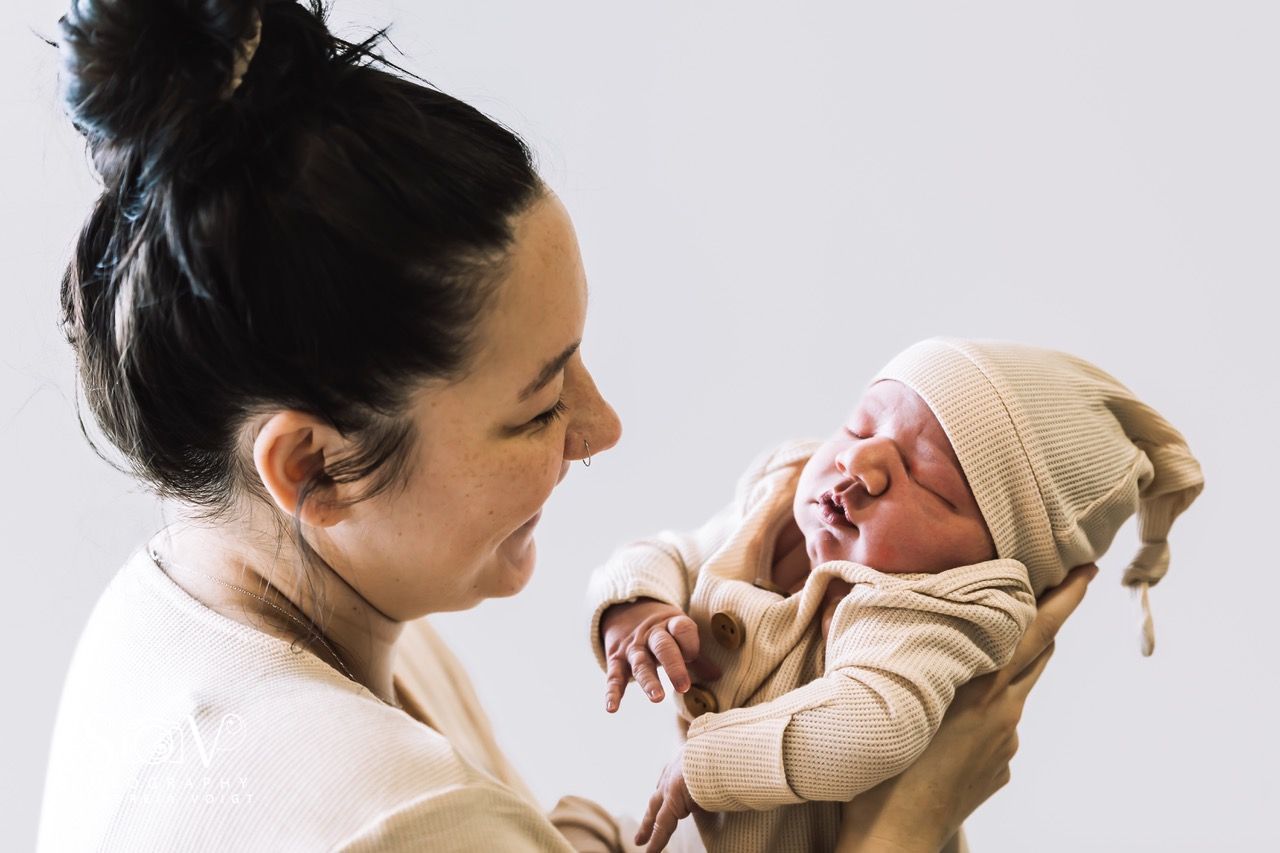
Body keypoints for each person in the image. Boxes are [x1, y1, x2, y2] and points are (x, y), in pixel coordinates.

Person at [38, 1, 1097, 850]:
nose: (602, 427)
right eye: (541, 403)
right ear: (313, 464)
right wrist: (904, 825)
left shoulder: (181, 607)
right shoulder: (385, 816)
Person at [591, 338, 1203, 852]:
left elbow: (872, 726)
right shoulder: (780, 500)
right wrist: (637, 607)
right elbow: (675, 551)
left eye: (930, 482)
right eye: (861, 424)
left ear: (991, 565)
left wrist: (707, 765)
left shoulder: (931, 608)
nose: (864, 461)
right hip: (706, 836)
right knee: (585, 823)